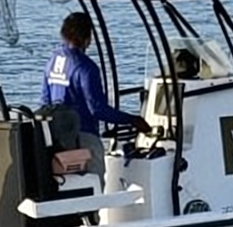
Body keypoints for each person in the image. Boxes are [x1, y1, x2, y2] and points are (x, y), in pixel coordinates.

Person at [41, 11, 152, 174]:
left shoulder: (52, 62)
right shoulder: (85, 67)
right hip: (84, 138)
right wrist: (132, 120)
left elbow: (45, 102)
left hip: (58, 140)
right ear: (87, 37)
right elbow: (97, 109)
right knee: (93, 185)